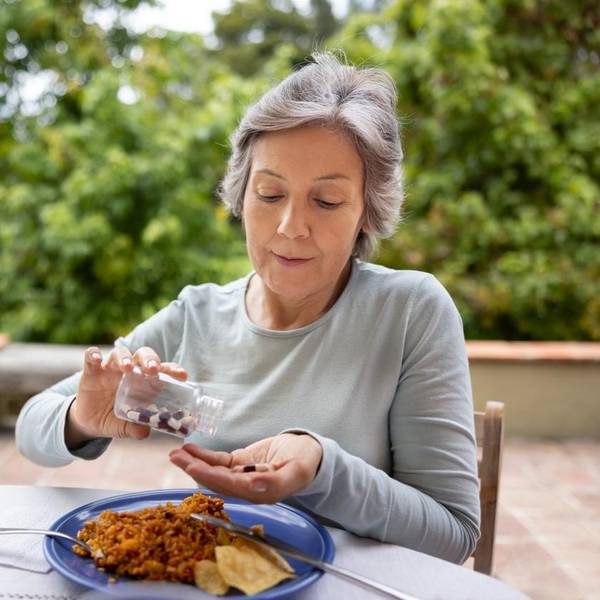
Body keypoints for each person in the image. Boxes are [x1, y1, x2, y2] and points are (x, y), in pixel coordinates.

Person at [16, 51, 480, 564]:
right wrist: (82, 417)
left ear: (368, 212)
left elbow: (452, 534)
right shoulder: (196, 317)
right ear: (241, 196)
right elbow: (32, 427)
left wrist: (323, 468)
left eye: (325, 202)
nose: (290, 226)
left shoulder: (409, 312)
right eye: (269, 193)